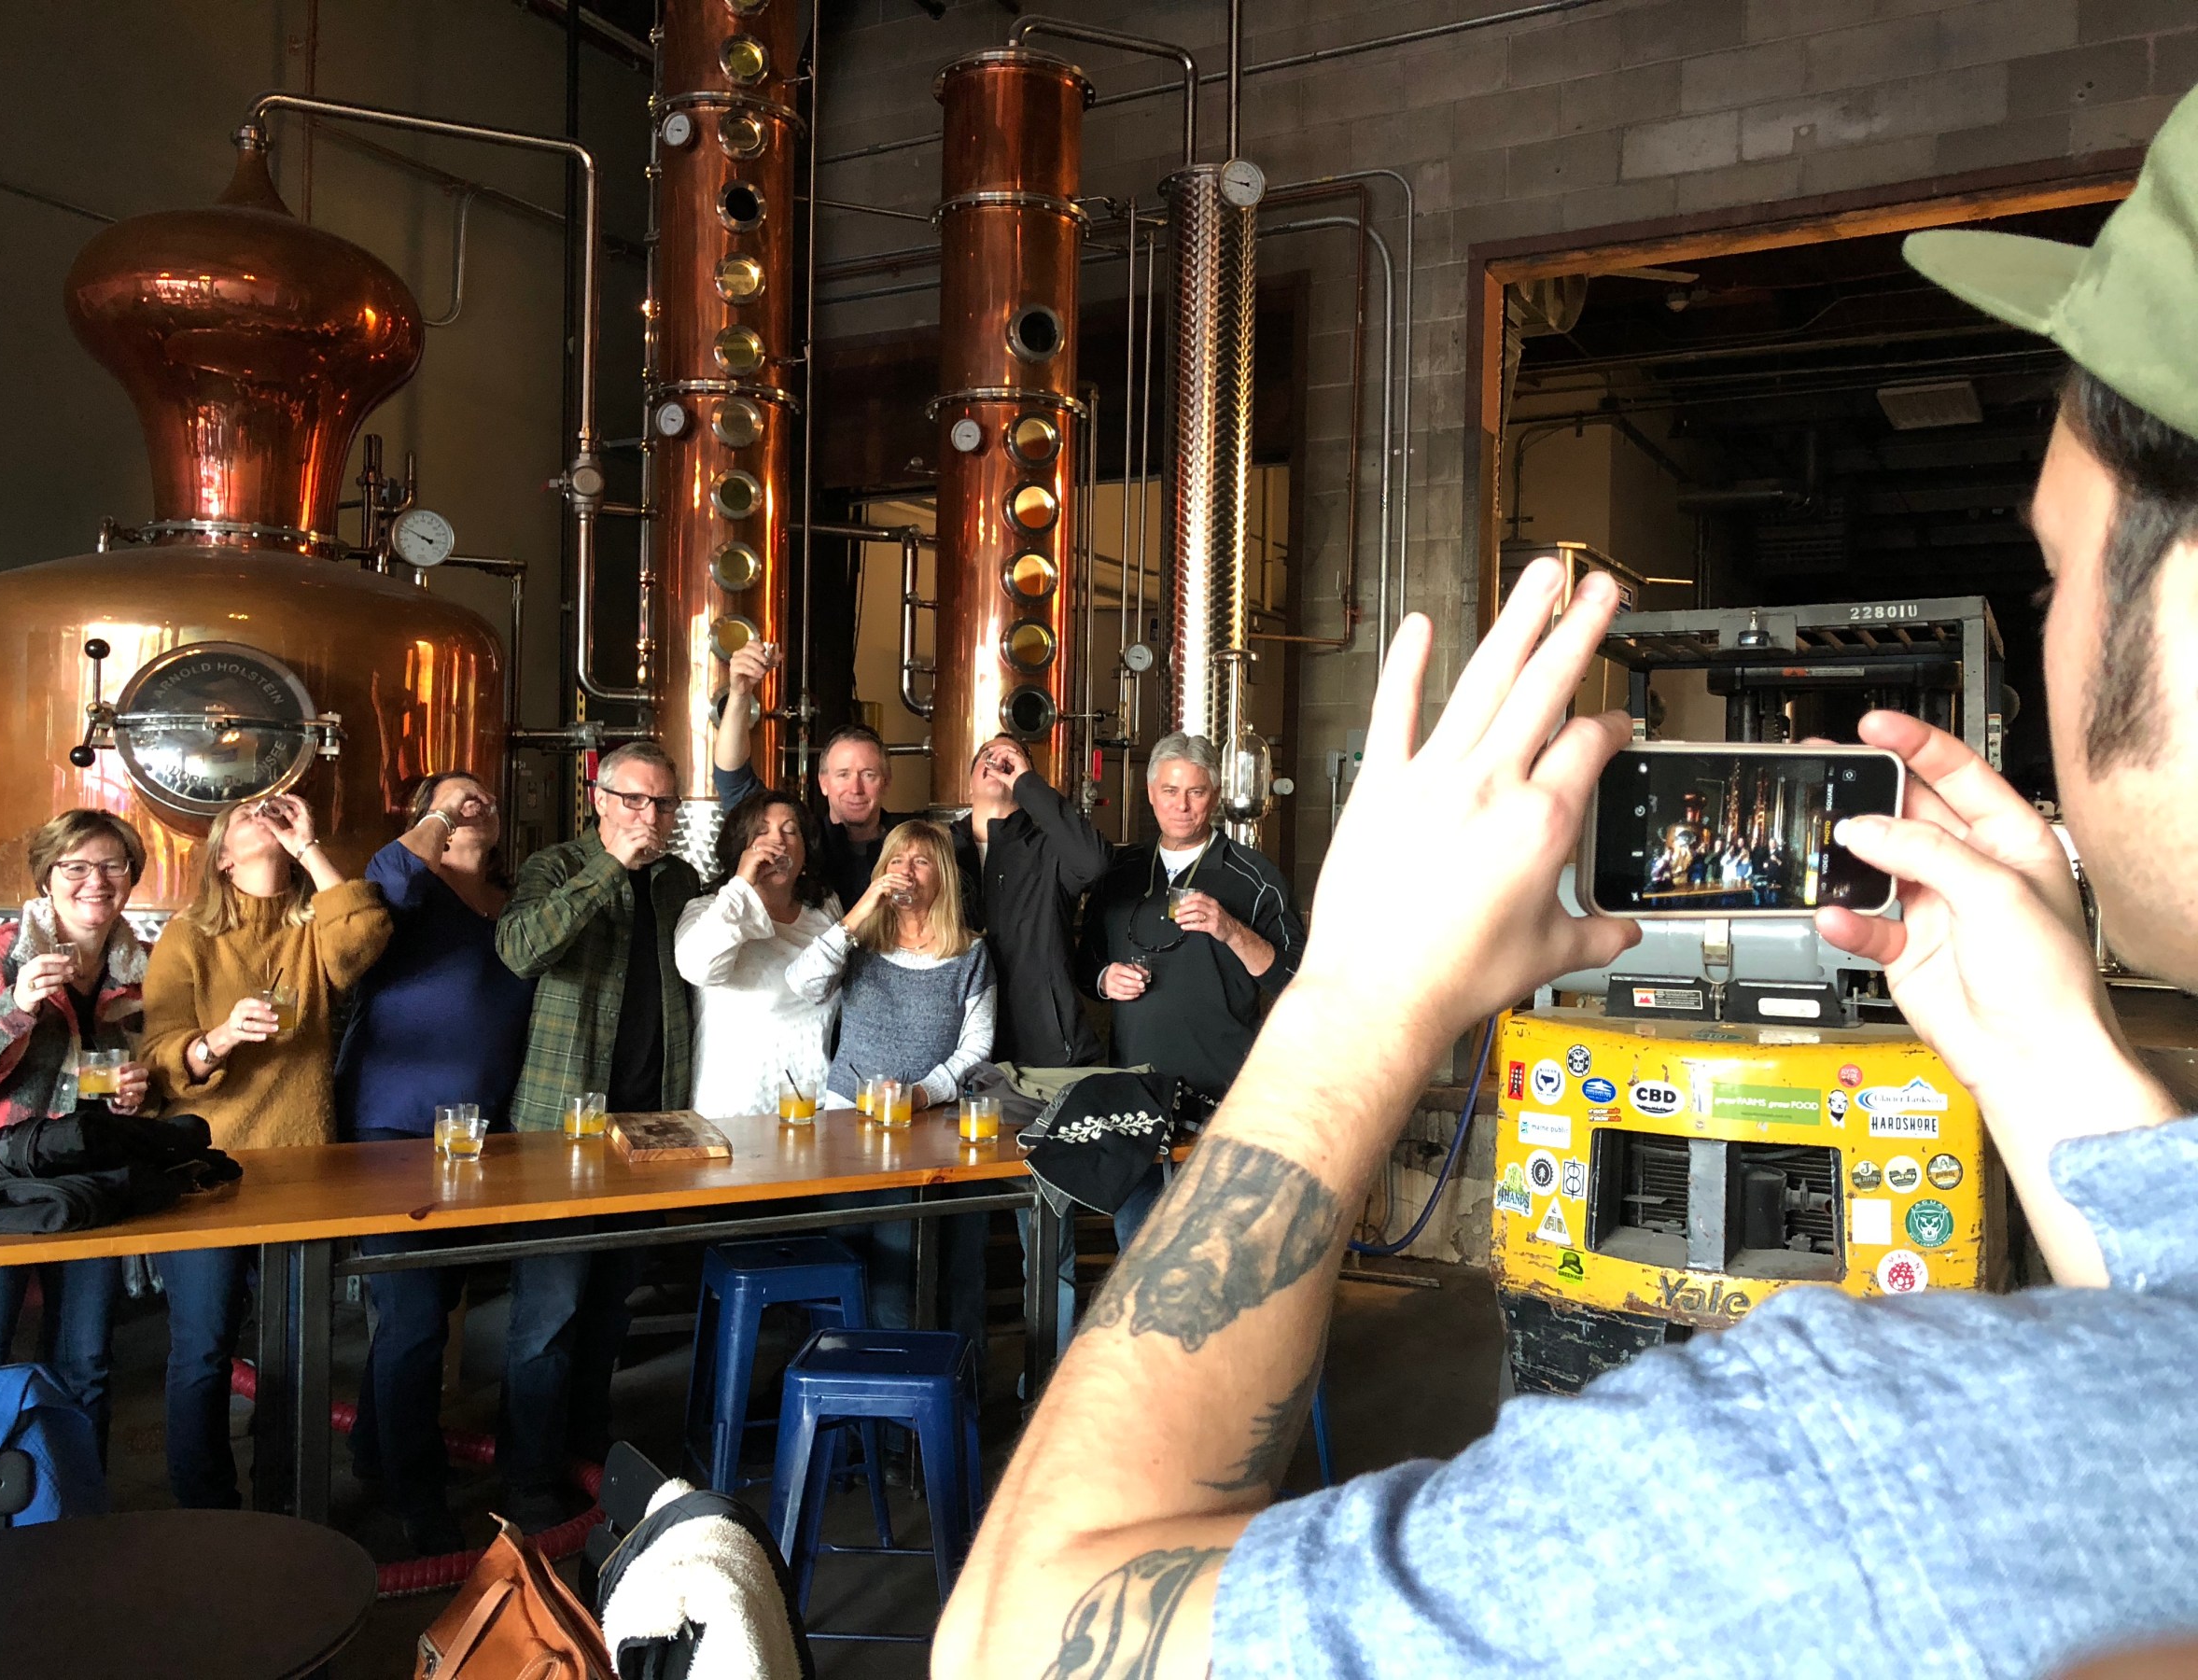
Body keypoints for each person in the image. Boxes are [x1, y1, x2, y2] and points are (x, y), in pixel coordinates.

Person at [936, 99, 2198, 1675]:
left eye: (2060, 570)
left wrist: (1360, 993)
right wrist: (2044, 1050)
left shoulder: (1855, 1481)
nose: (2053, 627)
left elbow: (1020, 1634)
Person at [139, 794, 391, 1508]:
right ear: (222, 855)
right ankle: (206, 1508)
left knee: (295, 1350)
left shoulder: (314, 928)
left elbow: (366, 937)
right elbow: (157, 1054)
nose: (268, 816)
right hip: (206, 1171)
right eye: (250, 816)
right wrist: (214, 1040)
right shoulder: (188, 937)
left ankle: (286, 1499)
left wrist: (312, 849)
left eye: (276, 813)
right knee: (201, 1349)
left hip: (299, 1168)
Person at [495, 739, 700, 1531]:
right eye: (636, 801)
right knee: (548, 1312)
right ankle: (527, 1475)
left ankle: (586, 1446)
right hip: (560, 1129)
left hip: (648, 1127)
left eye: (664, 803)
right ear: (601, 799)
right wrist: (608, 867)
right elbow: (521, 951)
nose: (651, 817)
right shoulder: (555, 865)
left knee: (612, 1306)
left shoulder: (681, 881)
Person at [335, 772, 536, 1556]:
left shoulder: (513, 903)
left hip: (478, 1134)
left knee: (429, 1304)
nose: (474, 803)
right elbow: (381, 877)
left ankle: (373, 1455)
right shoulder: (404, 891)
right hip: (393, 1125)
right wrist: (436, 822)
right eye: (454, 799)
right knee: (415, 1317)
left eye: (484, 793)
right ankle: (419, 1500)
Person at [0, 809, 154, 1464]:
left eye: (112, 865)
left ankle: (75, 1515)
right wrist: (15, 1006)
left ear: (131, 878)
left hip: (88, 1188)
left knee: (87, 1363)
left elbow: (135, 1086)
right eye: (75, 866)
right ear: (48, 877)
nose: (94, 880)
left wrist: (136, 1095)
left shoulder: (138, 972)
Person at [788, 820, 995, 1331]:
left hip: (924, 1134)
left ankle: (892, 1397)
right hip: (845, 1125)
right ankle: (836, 1386)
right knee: (842, 1257)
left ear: (942, 876)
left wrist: (923, 1093)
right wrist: (860, 912)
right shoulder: (858, 942)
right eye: (896, 861)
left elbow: (978, 1045)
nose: (906, 872)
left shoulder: (969, 953)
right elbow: (802, 984)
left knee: (897, 1272)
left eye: (920, 861)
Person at [1084, 734, 1307, 1100]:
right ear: (1151, 792)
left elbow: (1295, 981)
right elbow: (1084, 963)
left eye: (1196, 792)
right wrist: (1105, 978)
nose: (1181, 806)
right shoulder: (1121, 871)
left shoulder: (1257, 879)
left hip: (1224, 1091)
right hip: (1134, 1088)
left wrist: (1232, 931)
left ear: (1216, 796)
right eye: (1170, 790)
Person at [673, 787, 840, 1119]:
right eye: (761, 832)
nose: (777, 842)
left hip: (814, 1106)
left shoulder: (825, 909)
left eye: (790, 831)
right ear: (741, 847)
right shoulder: (707, 910)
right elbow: (697, 967)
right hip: (733, 1110)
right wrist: (743, 882)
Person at [947, 735, 1112, 1067]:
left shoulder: (1050, 851)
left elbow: (1093, 863)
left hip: (1044, 1052)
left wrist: (1026, 783)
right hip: (955, 1052)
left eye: (1012, 757)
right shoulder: (941, 851)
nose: (998, 762)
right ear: (968, 786)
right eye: (986, 756)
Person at [714, 640, 915, 908]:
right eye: (843, 774)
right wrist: (740, 693)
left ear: (886, 782)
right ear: (823, 782)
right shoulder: (799, 838)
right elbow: (732, 776)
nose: (855, 788)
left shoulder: (911, 843)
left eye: (868, 775)